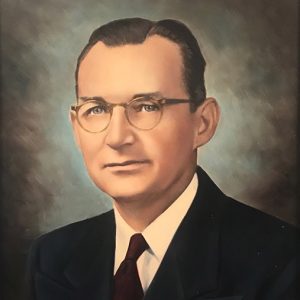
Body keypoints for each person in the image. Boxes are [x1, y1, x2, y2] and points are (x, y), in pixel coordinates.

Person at [27, 18, 299, 300]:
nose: (117, 137)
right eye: (97, 109)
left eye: (146, 106)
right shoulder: (51, 256)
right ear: (76, 127)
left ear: (203, 123)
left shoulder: (282, 262)